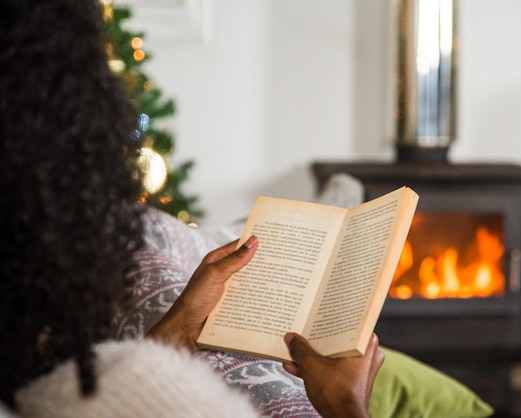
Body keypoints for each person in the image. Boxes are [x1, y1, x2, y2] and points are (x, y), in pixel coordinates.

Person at [0, 0, 383, 417]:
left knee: (158, 232)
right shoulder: (146, 393)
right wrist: (348, 405)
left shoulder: (45, 385)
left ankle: (324, 214)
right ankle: (329, 214)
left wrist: (172, 332)